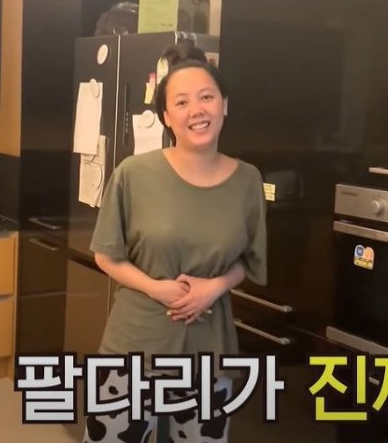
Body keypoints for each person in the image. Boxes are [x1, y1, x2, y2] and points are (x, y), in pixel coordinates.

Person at [83, 40, 267, 443]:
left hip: (208, 349)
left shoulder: (248, 180)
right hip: (135, 344)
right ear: (167, 117)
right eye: (181, 102)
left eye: (206, 97)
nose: (196, 110)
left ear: (224, 105)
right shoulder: (133, 173)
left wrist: (213, 287)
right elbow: (106, 256)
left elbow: (249, 261)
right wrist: (156, 288)